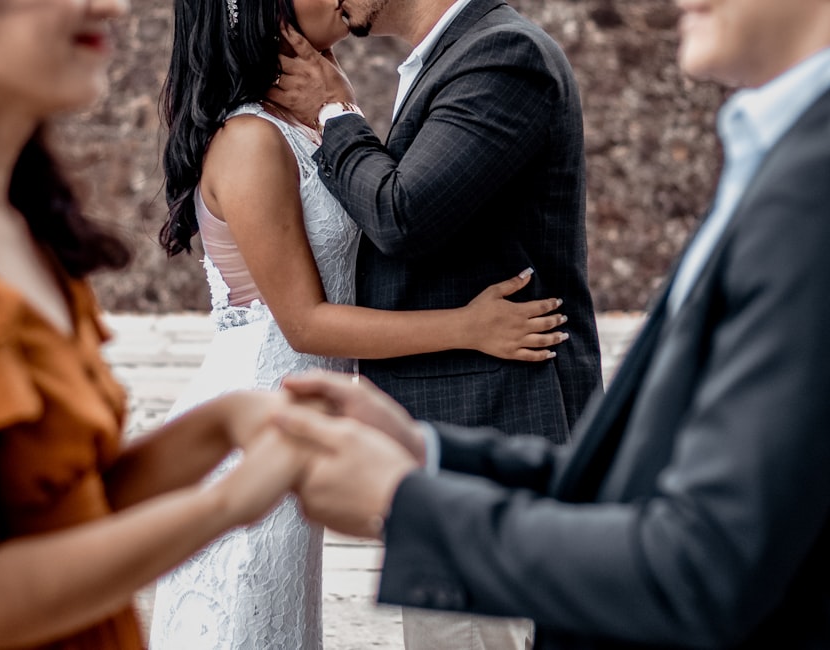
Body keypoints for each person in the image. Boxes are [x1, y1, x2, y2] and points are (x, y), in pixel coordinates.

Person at [273, 0, 830, 647]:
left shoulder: (810, 187)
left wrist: (410, 502)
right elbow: (646, 481)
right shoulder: (773, 151)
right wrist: (428, 454)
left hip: (505, 412)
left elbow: (707, 560)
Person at [0, 1, 311, 648]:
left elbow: (64, 510)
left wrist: (231, 426)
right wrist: (226, 505)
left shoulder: (5, 224)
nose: (110, 6)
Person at [149, 0, 570, 647]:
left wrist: (335, 110)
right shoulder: (252, 139)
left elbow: (392, 209)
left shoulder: (317, 122)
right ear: (269, 14)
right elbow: (305, 324)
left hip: (301, 421)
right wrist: (465, 326)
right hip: (260, 411)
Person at [271, 0, 602, 646]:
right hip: (454, 433)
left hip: (499, 421)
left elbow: (403, 215)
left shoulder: (504, 56)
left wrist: (336, 114)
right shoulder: (451, 60)